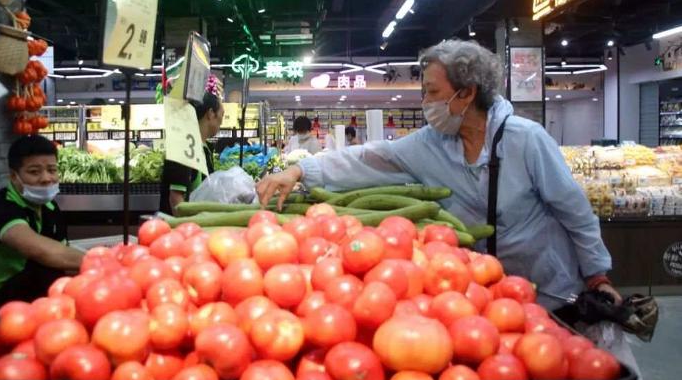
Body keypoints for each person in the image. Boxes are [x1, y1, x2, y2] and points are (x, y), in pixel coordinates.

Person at [258, 39, 621, 308]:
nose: (426, 102)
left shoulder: (526, 140)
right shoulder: (429, 144)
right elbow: (368, 159)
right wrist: (300, 169)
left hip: (552, 288)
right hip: (482, 292)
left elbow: (574, 211)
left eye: (432, 92)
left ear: (466, 94)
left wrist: (597, 274)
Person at [0, 135, 83, 311]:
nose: (46, 178)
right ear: (14, 176)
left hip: (33, 294)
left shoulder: (50, 207)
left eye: (52, 170)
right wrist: (102, 263)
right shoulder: (1, 208)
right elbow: (42, 251)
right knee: (45, 270)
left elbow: (63, 254)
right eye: (34, 172)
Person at [159, 90, 224, 214]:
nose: (222, 121)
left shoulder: (204, 148)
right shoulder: (183, 148)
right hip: (181, 229)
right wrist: (188, 229)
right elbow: (176, 200)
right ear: (210, 114)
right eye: (222, 115)